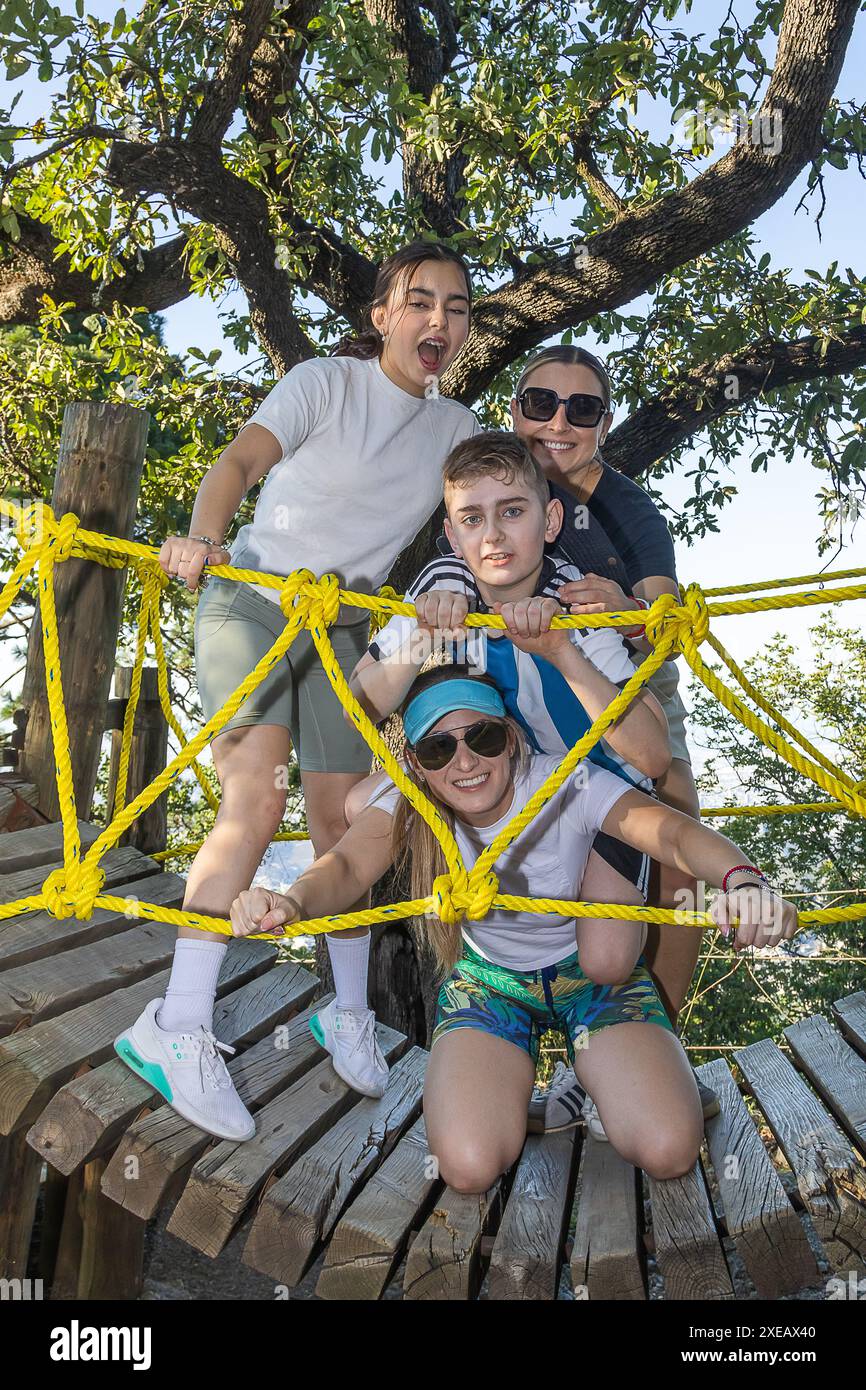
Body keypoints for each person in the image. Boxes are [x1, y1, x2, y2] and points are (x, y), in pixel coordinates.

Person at [113, 242, 479, 1141]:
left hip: (344, 627)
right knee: (255, 794)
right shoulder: (327, 383)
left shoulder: (456, 427)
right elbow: (236, 465)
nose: (439, 320)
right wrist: (203, 536)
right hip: (256, 596)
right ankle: (175, 1022)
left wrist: (449, 586)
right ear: (382, 316)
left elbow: (472, 521)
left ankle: (345, 1009)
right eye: (419, 301)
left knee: (340, 814)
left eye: (458, 308)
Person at [228, 667, 797, 1189]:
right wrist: (291, 900)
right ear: (417, 763)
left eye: (483, 737)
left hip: (593, 983)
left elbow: (672, 834)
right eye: (438, 748)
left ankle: (600, 1073)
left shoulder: (561, 783)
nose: (465, 762)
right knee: (468, 1167)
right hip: (491, 984)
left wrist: (742, 879)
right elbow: (347, 866)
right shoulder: (411, 802)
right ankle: (514, 1084)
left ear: (511, 736)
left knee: (670, 1149)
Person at [349, 431, 671, 994]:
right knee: (360, 802)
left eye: (512, 511)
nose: (493, 535)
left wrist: (562, 652)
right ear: (451, 534)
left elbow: (652, 754)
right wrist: (422, 640)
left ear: (549, 522)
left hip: (593, 783)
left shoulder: (576, 601)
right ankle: (487, 960)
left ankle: (590, 1031)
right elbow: (363, 702)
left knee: (608, 960)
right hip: (502, 781)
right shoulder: (441, 589)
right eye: (472, 518)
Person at [510, 344, 716, 1128]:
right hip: (524, 669)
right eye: (541, 403)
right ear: (515, 408)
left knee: (674, 836)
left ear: (603, 424)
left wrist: (625, 605)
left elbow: (663, 606)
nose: (558, 423)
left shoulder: (624, 504)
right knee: (516, 846)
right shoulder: (493, 477)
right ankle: (545, 1061)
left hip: (624, 672)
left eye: (582, 409)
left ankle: (658, 1047)